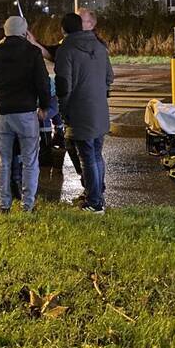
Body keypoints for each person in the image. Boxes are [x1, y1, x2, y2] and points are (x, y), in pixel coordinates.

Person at [0, 15, 51, 213]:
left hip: (2, 114)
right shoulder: (33, 52)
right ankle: (27, 205)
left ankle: (4, 204)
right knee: (30, 160)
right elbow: (43, 82)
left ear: (5, 31)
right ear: (24, 31)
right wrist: (44, 106)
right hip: (27, 114)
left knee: (3, 160)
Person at [55, 12, 114, 214]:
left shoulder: (66, 49)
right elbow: (109, 77)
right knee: (95, 155)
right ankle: (96, 194)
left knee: (87, 157)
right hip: (99, 111)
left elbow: (63, 86)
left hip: (79, 111)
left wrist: (63, 110)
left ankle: (94, 203)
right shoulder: (99, 46)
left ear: (63, 30)